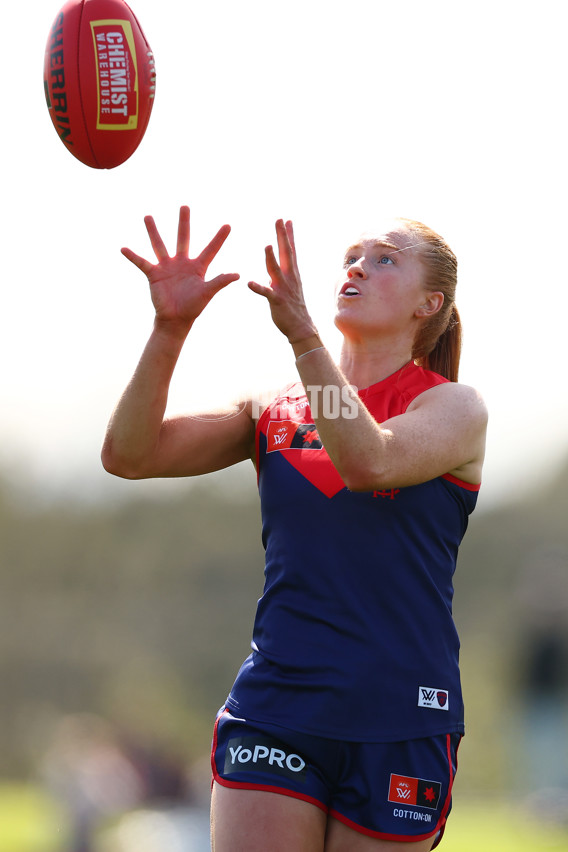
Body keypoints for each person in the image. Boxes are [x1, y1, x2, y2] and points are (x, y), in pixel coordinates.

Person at [102, 205, 487, 851]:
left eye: (385, 258)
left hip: (398, 712)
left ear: (430, 303)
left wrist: (307, 340)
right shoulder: (272, 407)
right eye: (352, 257)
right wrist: (170, 329)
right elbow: (129, 456)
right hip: (277, 705)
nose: (358, 266)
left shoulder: (451, 406)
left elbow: (370, 459)